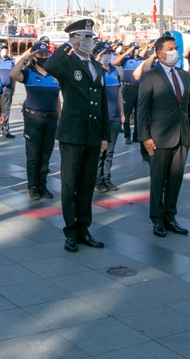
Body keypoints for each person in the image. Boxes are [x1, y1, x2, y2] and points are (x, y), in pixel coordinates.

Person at [43, 19, 109, 253]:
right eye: (84, 36)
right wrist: (67, 44)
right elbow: (49, 66)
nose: (89, 41)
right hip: (72, 132)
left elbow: (101, 103)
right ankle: (70, 231)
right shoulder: (67, 63)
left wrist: (105, 135)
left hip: (93, 133)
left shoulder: (97, 66)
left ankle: (84, 228)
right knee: (70, 184)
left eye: (91, 37)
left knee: (87, 184)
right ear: (74, 38)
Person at [136, 34, 190, 238]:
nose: (174, 53)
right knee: (158, 180)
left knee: (175, 179)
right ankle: (157, 220)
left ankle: (170, 217)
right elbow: (142, 109)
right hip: (159, 137)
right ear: (159, 53)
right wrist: (144, 136)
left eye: (176, 49)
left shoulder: (184, 75)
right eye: (170, 49)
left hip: (182, 136)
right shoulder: (150, 76)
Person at [10, 42, 60, 200]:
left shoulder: (54, 75)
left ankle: (42, 185)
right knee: (33, 155)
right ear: (34, 57)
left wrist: (59, 117)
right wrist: (25, 57)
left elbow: (57, 98)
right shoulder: (28, 73)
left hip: (50, 118)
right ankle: (32, 186)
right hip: (33, 119)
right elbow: (13, 74)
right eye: (40, 55)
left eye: (46, 55)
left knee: (45, 155)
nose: (44, 58)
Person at [95, 42, 123, 192]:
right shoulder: (96, 70)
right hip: (100, 117)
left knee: (110, 152)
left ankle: (107, 178)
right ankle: (97, 180)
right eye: (104, 53)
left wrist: (122, 113)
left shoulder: (114, 70)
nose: (107, 55)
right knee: (100, 150)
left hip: (114, 116)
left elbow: (119, 93)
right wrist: (97, 61)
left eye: (109, 53)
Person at [113, 43, 143, 145]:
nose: (136, 50)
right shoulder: (126, 59)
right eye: (134, 48)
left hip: (139, 88)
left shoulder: (141, 60)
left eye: (137, 48)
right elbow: (115, 62)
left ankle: (136, 135)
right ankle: (127, 136)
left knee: (139, 113)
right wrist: (126, 52)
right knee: (127, 112)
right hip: (129, 88)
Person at [0, 45, 16, 138]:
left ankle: (5, 130)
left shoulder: (11, 62)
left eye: (6, 49)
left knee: (7, 110)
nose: (4, 51)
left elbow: (14, 77)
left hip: (8, 88)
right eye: (2, 49)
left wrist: (13, 88)